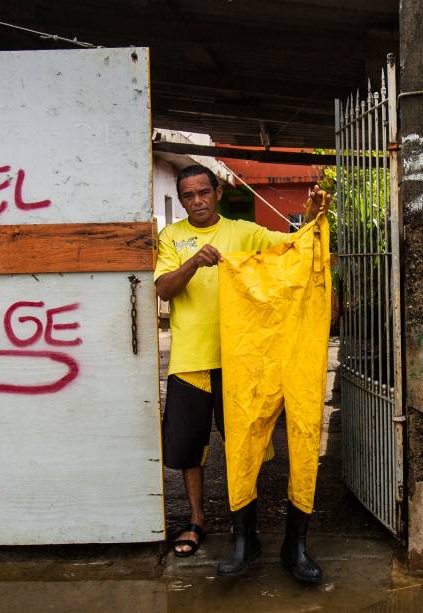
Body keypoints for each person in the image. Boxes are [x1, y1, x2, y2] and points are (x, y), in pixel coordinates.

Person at [153, 164, 324, 570]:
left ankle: (245, 531)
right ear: (182, 201)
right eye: (188, 195)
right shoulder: (171, 238)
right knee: (188, 449)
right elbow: (163, 288)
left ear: (218, 193)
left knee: (244, 445)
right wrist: (193, 263)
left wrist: (313, 218)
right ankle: (196, 521)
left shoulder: (244, 232)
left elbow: (294, 247)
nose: (197, 201)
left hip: (241, 361)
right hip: (191, 360)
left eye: (203, 192)